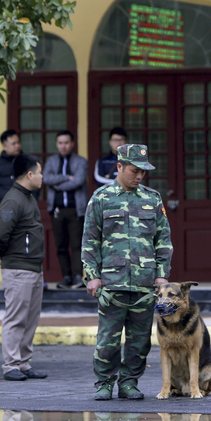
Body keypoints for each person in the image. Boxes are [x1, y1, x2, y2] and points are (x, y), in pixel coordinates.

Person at [82, 143, 173, 401]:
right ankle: (104, 383)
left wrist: (161, 274)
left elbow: (163, 240)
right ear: (119, 167)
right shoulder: (101, 198)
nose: (139, 176)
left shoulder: (152, 199)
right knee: (108, 340)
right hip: (111, 283)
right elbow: (90, 240)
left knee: (140, 341)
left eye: (143, 172)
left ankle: (129, 382)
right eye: (134, 170)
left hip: (145, 284)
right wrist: (92, 275)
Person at [0, 154, 48, 382]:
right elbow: (0, 235)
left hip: (33, 268)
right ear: (30, 174)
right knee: (16, 317)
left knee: (30, 318)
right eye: (40, 172)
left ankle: (23, 363)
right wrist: (4, 255)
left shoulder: (28, 197)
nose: (43, 177)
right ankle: (11, 365)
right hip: (18, 269)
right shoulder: (13, 200)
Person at [43, 130, 89, 289]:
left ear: (72, 144)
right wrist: (66, 177)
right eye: (60, 143)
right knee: (61, 245)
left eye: (66, 143)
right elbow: (46, 178)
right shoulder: (51, 161)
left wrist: (57, 185)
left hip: (76, 209)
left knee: (77, 244)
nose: (63, 146)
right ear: (57, 144)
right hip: (57, 209)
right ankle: (66, 277)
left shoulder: (81, 161)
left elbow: (78, 181)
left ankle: (78, 276)